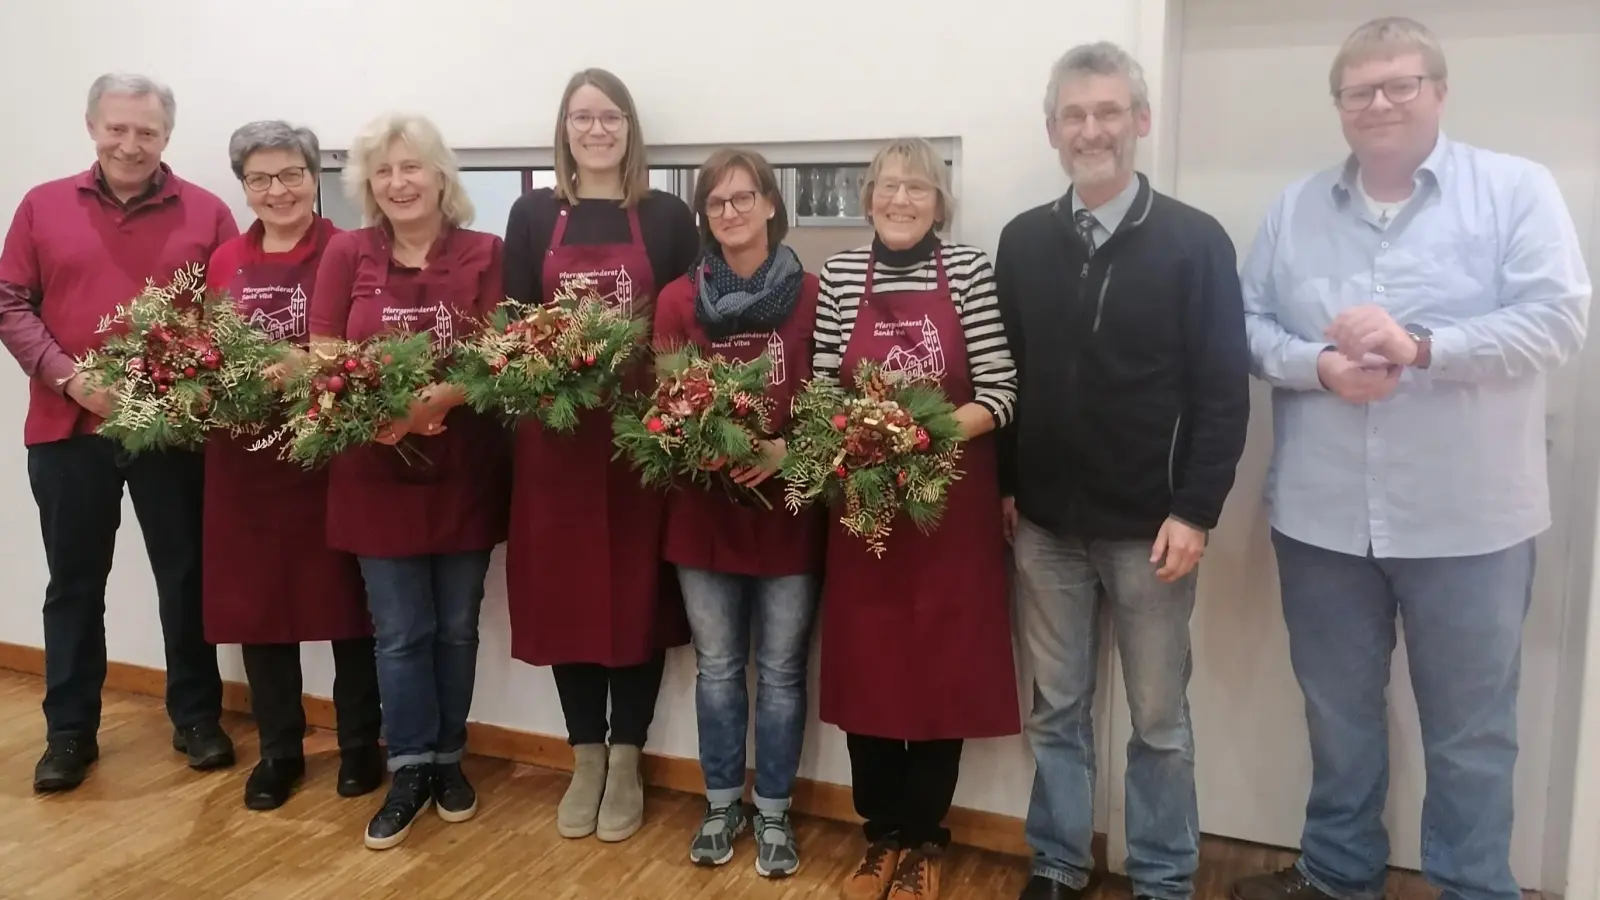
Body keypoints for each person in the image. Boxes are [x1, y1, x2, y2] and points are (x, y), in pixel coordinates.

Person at [1229, 17, 1590, 900]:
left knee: (1472, 732)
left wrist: (1420, 346)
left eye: (1400, 84)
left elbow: (1558, 319)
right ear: (1340, 105)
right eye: (1361, 90)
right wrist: (1316, 365)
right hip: (1320, 521)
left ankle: (1472, 887)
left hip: (1471, 523)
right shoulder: (1295, 208)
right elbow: (1245, 327)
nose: (1381, 103)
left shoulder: (1514, 191)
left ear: (1438, 90)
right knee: (1338, 718)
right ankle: (1339, 876)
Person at [995, 42, 1250, 900]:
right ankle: (1059, 865)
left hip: (1153, 532)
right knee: (1056, 711)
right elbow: (1012, 374)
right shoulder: (1023, 240)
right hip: (1045, 529)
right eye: (1075, 114)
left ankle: (1165, 880)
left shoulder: (1194, 242)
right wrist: (1006, 484)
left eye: (1109, 111)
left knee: (1159, 722)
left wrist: (1197, 509)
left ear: (1140, 121)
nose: (1091, 129)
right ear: (1053, 130)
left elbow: (1223, 390)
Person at [0, 73, 239, 793]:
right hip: (67, 427)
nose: (130, 144)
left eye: (147, 131)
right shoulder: (42, 206)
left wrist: (183, 382)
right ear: (92, 126)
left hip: (174, 433)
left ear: (167, 135)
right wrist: (69, 377)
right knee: (74, 585)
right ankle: (69, 733)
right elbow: (10, 302)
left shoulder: (207, 213)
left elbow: (228, 320)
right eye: (117, 128)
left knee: (186, 578)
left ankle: (197, 717)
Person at [815, 136, 1020, 900]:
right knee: (869, 667)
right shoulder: (841, 274)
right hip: (866, 507)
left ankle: (927, 837)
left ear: (941, 202)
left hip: (948, 514)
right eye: (888, 186)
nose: (901, 200)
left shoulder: (966, 270)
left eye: (919, 188)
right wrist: (864, 438)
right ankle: (882, 836)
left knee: (943, 671)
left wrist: (915, 436)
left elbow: (999, 392)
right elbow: (822, 387)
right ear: (867, 196)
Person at [502, 67, 699, 844]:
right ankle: (585, 754)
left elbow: (687, 324)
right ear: (564, 128)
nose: (596, 129)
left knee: (635, 596)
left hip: (638, 440)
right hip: (555, 442)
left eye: (609, 116)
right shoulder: (530, 214)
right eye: (582, 117)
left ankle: (628, 757)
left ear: (629, 128)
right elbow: (514, 326)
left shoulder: (667, 216)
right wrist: (547, 365)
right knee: (567, 595)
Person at [308, 112, 511, 850]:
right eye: (383, 171)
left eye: (411, 167)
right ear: (368, 184)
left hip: (463, 469)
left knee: (456, 628)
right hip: (372, 470)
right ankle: (410, 769)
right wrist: (379, 415)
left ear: (440, 177)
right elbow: (324, 352)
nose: (398, 182)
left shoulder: (488, 253)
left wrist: (436, 403)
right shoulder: (345, 253)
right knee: (398, 634)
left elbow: (496, 355)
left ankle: (450, 761)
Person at [202, 120, 384, 811]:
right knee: (259, 608)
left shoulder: (352, 251)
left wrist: (300, 366)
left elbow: (364, 345)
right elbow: (209, 353)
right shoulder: (223, 260)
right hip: (243, 461)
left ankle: (359, 744)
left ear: (315, 178)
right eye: (259, 178)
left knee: (348, 607)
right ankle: (279, 749)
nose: (276, 191)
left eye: (290, 175)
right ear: (243, 186)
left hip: (331, 453)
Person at [652, 148, 824, 877]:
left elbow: (836, 403)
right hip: (704, 513)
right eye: (717, 202)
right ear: (704, 216)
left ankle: (776, 814)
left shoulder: (815, 295)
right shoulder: (676, 302)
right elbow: (661, 409)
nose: (731, 212)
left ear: (771, 205)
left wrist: (786, 451)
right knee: (720, 670)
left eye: (743, 197)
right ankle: (722, 803)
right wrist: (702, 446)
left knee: (781, 673)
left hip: (787, 509)